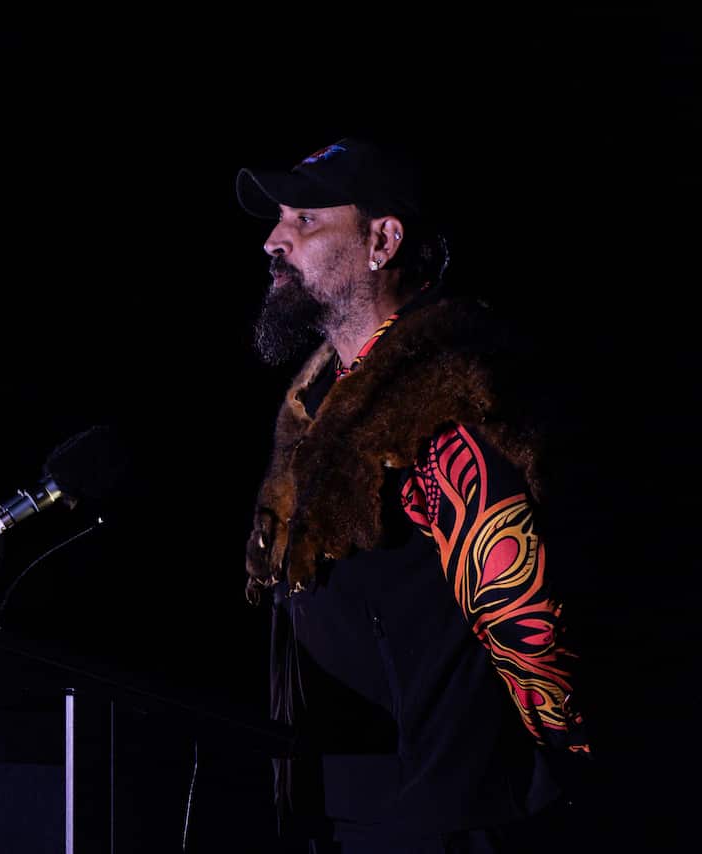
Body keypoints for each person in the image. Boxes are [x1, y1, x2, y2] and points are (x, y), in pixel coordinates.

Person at [236, 137, 593, 853]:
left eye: (305, 219)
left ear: (383, 239)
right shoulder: (322, 408)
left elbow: (529, 627)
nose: (275, 239)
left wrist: (570, 789)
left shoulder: (445, 408)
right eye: (278, 218)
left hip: (450, 823)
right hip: (347, 818)